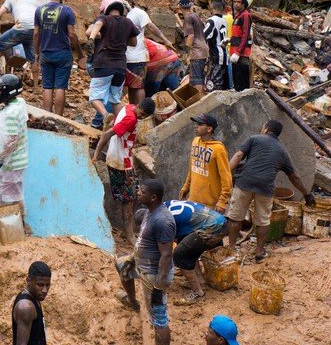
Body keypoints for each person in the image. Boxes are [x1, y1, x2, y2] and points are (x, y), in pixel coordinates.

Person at [227, 119, 316, 261]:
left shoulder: (254, 139)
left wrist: (225, 173)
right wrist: (307, 193)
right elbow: (294, 177)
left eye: (263, 127)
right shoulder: (282, 151)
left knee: (235, 217)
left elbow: (238, 156)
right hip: (265, 188)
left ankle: (231, 249)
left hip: (245, 183)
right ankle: (259, 251)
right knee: (262, 220)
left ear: (266, 129)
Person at [93, 98, 156, 243]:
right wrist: (96, 154)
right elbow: (107, 134)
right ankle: (129, 234)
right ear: (139, 107)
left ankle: (126, 231)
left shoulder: (128, 107)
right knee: (129, 199)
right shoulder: (131, 119)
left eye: (145, 116)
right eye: (142, 113)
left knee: (130, 197)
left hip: (119, 158)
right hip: (121, 163)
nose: (142, 117)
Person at [120, 179, 174, 345]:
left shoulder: (163, 221)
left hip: (153, 274)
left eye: (142, 192)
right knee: (121, 265)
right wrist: (132, 258)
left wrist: (158, 286)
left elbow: (166, 255)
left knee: (159, 319)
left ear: (153, 197)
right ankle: (132, 301)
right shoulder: (150, 211)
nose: (138, 193)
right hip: (143, 264)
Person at [86, 0, 140, 129]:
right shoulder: (127, 22)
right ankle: (125, 125)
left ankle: (105, 116)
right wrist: (121, 39)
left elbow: (97, 25)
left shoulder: (104, 18)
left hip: (104, 64)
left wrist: (92, 38)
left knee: (94, 98)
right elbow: (134, 42)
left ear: (107, 9)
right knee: (115, 100)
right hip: (121, 67)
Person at [33, 0, 85, 116]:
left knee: (47, 86)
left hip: (45, 53)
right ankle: (58, 119)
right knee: (60, 86)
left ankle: (47, 117)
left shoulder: (39, 10)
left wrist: (37, 52)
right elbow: (72, 34)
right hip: (62, 53)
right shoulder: (67, 10)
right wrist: (79, 53)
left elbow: (36, 34)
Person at [165, 199, 229, 305]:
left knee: (179, 255)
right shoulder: (165, 206)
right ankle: (200, 280)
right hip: (219, 221)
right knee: (187, 248)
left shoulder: (160, 221)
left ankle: (197, 292)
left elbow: (166, 248)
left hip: (212, 227)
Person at [121, 0, 174, 104]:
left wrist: (165, 40)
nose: (122, 2)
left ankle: (141, 114)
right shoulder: (119, 13)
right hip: (123, 58)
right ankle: (134, 113)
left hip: (137, 57)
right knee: (130, 87)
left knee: (138, 86)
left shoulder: (138, 13)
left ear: (130, 1)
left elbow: (150, 26)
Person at [0, 73, 30, 216]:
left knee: (14, 196)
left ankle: (19, 223)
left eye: (0, 90)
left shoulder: (11, 115)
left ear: (8, 91)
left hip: (12, 162)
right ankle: (0, 221)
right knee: (0, 190)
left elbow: (10, 141)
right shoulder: (20, 103)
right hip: (16, 160)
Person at [179, 113, 232, 212]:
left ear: (209, 129)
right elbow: (192, 167)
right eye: (196, 123)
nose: (196, 126)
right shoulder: (195, 141)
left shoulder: (219, 149)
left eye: (200, 124)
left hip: (210, 204)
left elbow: (226, 177)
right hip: (193, 199)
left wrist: (222, 201)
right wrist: (186, 186)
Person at [0, 0, 39, 86]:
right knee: (33, 59)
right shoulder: (34, 1)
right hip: (34, 30)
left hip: (21, 27)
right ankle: (36, 87)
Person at [12, 262, 51, 345]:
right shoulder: (26, 307)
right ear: (29, 281)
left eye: (47, 285)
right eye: (40, 285)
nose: (45, 290)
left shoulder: (35, 297)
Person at [180, 0, 209, 87]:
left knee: (197, 81)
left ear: (180, 7)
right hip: (204, 51)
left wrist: (187, 52)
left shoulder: (188, 18)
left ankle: (200, 100)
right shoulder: (195, 16)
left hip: (196, 53)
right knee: (200, 78)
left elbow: (191, 35)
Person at [229, 0, 253, 91]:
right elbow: (238, 34)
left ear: (244, 3)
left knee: (242, 81)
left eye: (239, 2)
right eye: (235, 2)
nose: (236, 4)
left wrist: (238, 52)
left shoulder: (246, 15)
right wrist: (229, 40)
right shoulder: (238, 15)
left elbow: (245, 34)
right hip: (235, 51)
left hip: (241, 54)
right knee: (236, 79)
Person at [203, 0, 230, 91]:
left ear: (211, 7)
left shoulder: (212, 21)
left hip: (215, 56)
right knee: (221, 84)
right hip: (224, 56)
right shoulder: (223, 20)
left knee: (212, 85)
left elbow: (204, 36)